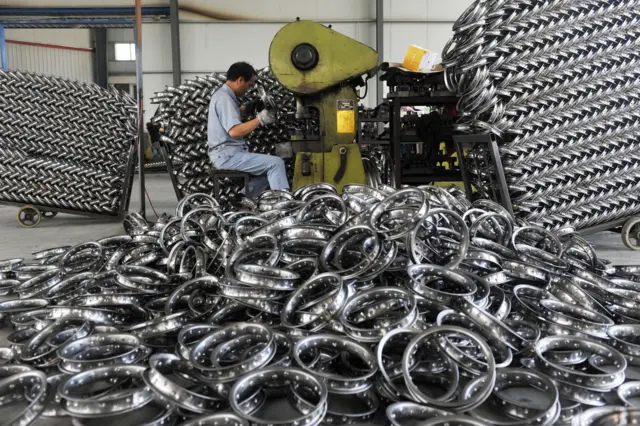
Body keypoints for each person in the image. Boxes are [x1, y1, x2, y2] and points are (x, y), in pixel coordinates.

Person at [207, 62, 289, 201]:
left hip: (227, 154)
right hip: (227, 156)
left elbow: (230, 116)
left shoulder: (225, 97)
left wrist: (248, 109)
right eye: (249, 85)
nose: (248, 89)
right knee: (276, 164)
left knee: (268, 171)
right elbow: (234, 131)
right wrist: (260, 119)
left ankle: (242, 199)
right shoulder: (224, 98)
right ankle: (283, 205)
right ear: (240, 80)